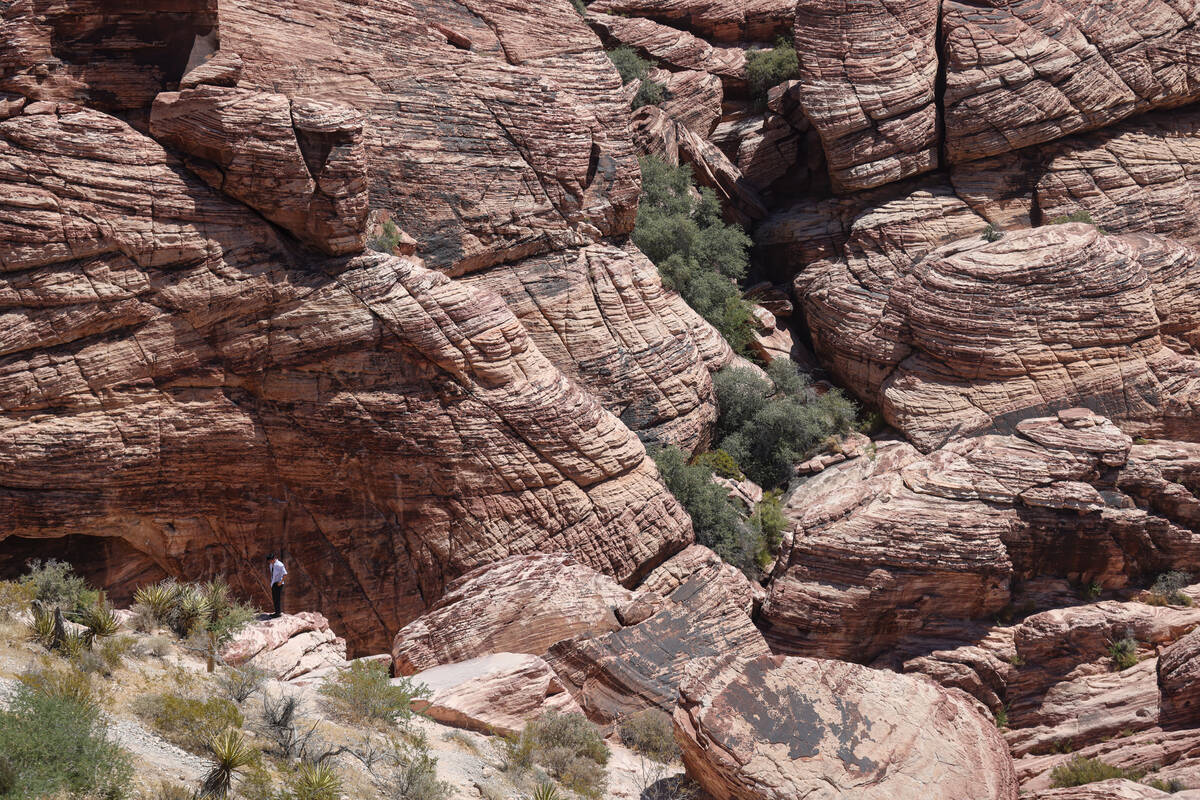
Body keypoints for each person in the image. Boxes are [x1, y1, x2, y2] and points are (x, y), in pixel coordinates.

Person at [268, 553, 287, 618]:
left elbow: (285, 574)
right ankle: (276, 612)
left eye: (270, 560)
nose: (269, 562)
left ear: (273, 559)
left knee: (277, 598)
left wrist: (281, 582)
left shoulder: (280, 565)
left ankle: (278, 613)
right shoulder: (271, 564)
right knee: (274, 598)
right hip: (273, 583)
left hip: (279, 583)